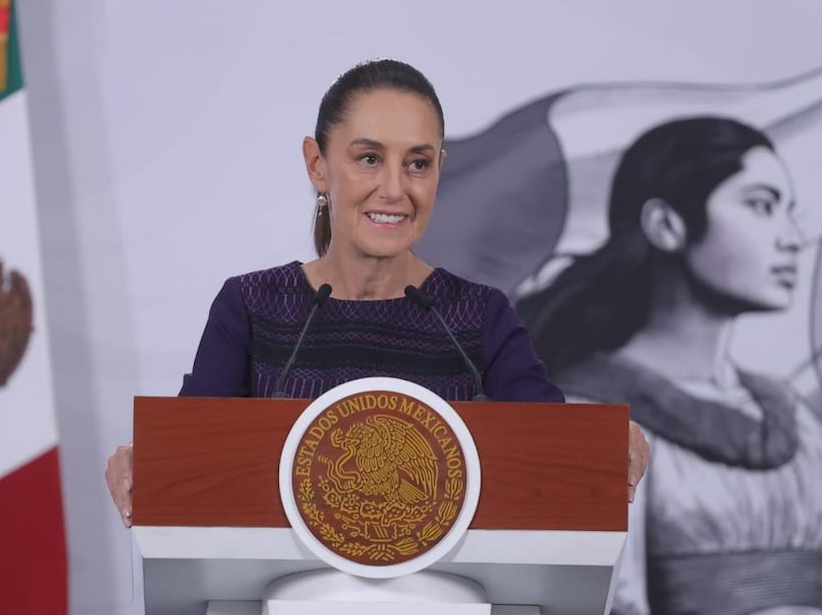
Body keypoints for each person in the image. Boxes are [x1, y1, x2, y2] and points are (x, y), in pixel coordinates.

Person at [106, 59, 650, 528]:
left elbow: (558, 457)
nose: (395, 188)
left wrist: (607, 446)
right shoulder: (252, 308)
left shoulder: (479, 318)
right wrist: (144, 463)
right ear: (318, 166)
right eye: (368, 158)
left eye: (418, 163)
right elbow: (189, 461)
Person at [516, 117, 822, 614]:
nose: (791, 237)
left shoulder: (798, 420)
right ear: (666, 225)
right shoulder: (583, 420)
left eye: (791, 212)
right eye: (762, 206)